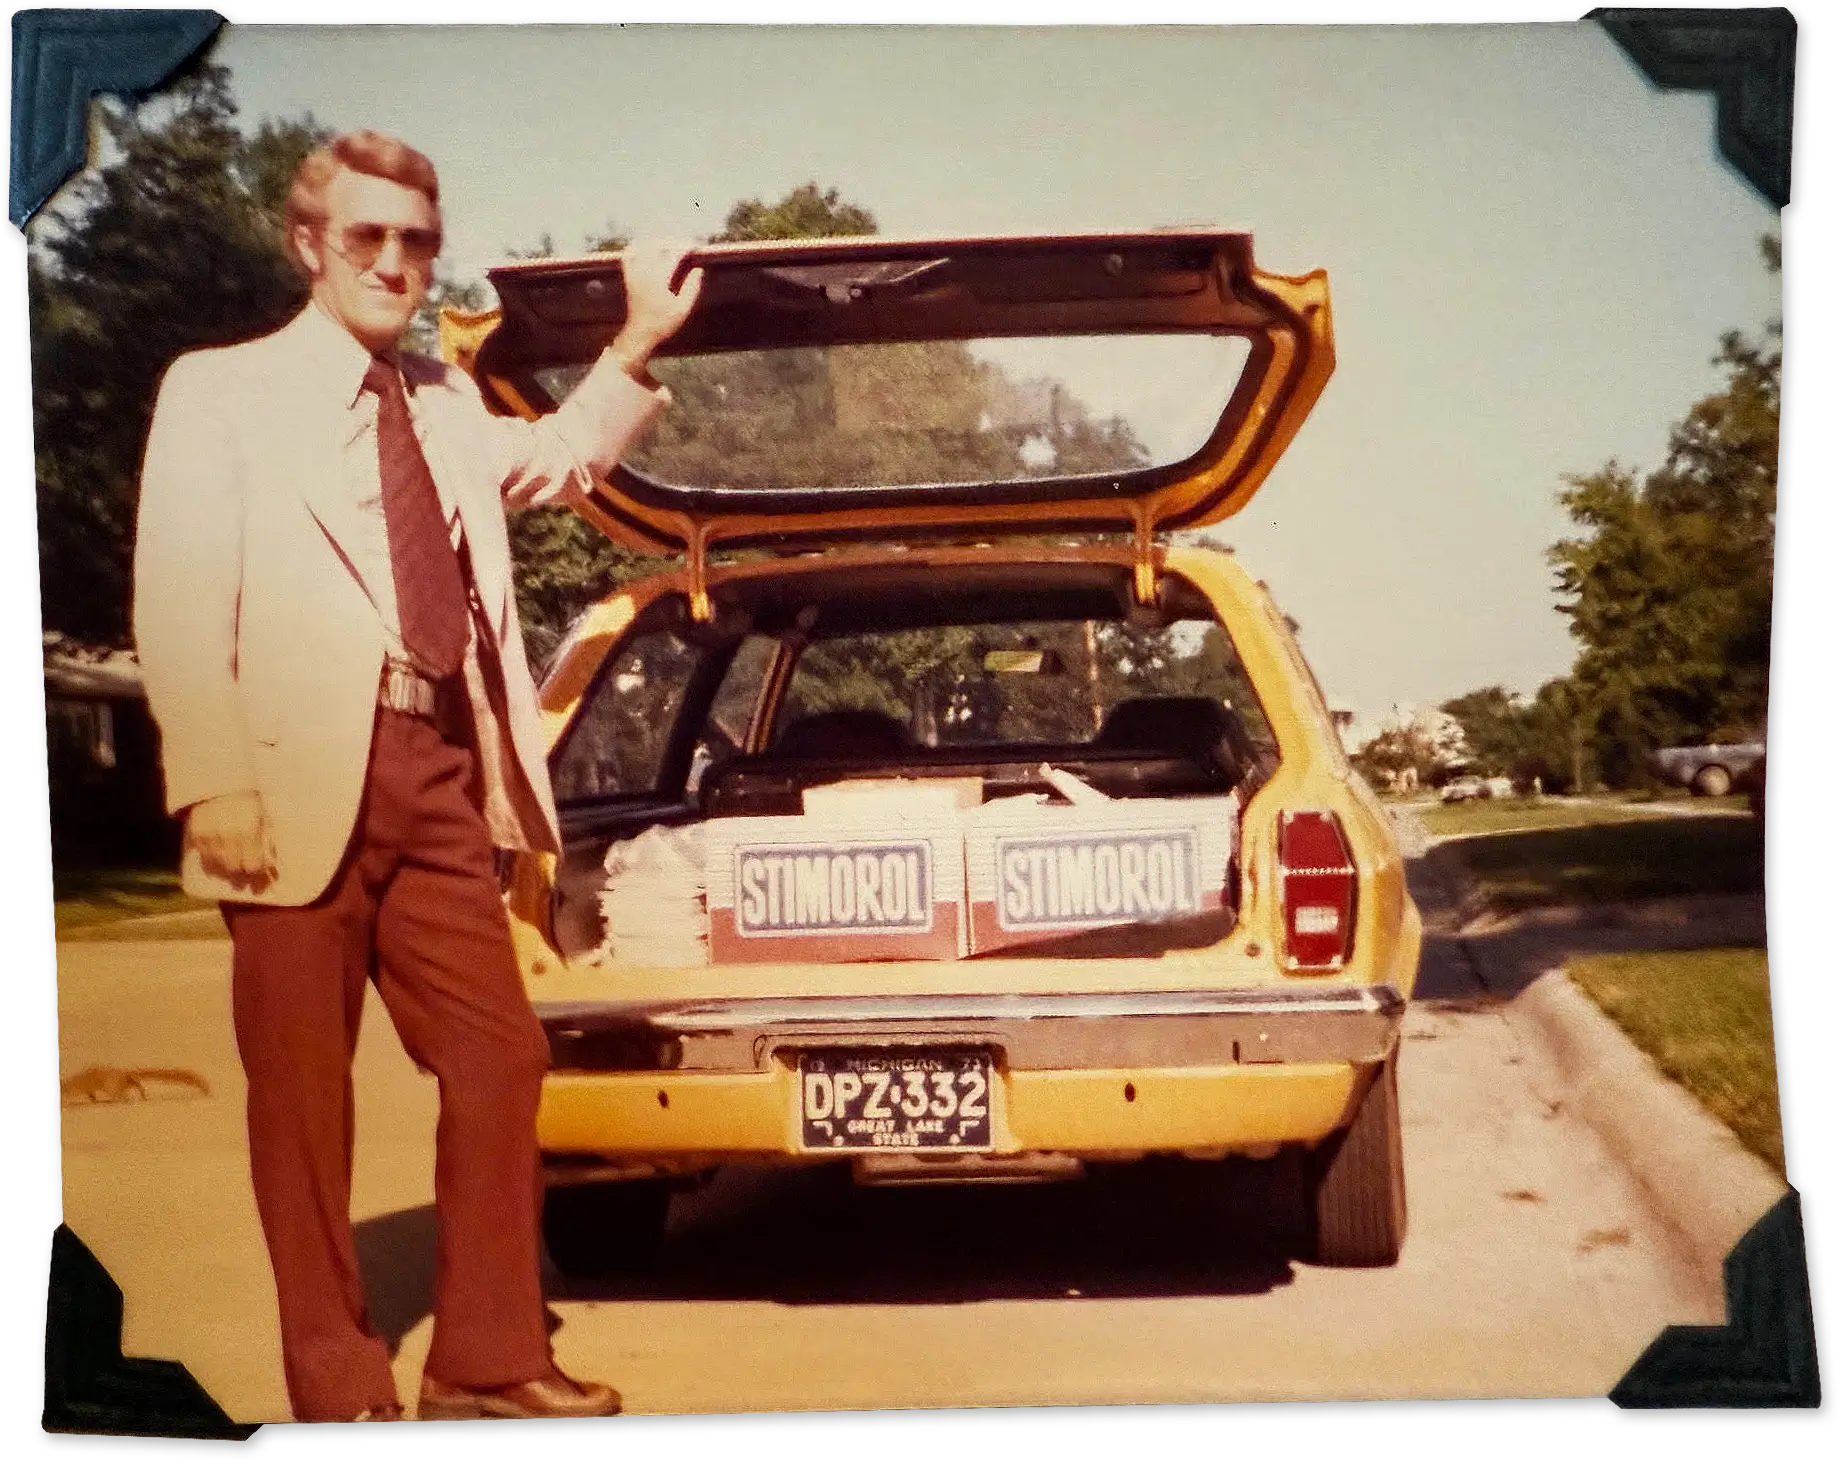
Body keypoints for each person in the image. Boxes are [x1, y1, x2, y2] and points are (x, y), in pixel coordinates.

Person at [131, 129, 702, 1422]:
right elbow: (176, 593)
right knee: (302, 1106)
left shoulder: (442, 402)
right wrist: (211, 776)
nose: (395, 263)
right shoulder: (218, 390)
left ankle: (485, 1362)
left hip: (438, 770)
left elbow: (563, 457)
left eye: (418, 242)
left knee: (500, 1057)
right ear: (309, 244)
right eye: (368, 236)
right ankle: (339, 1388)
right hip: (282, 783)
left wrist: (635, 340)